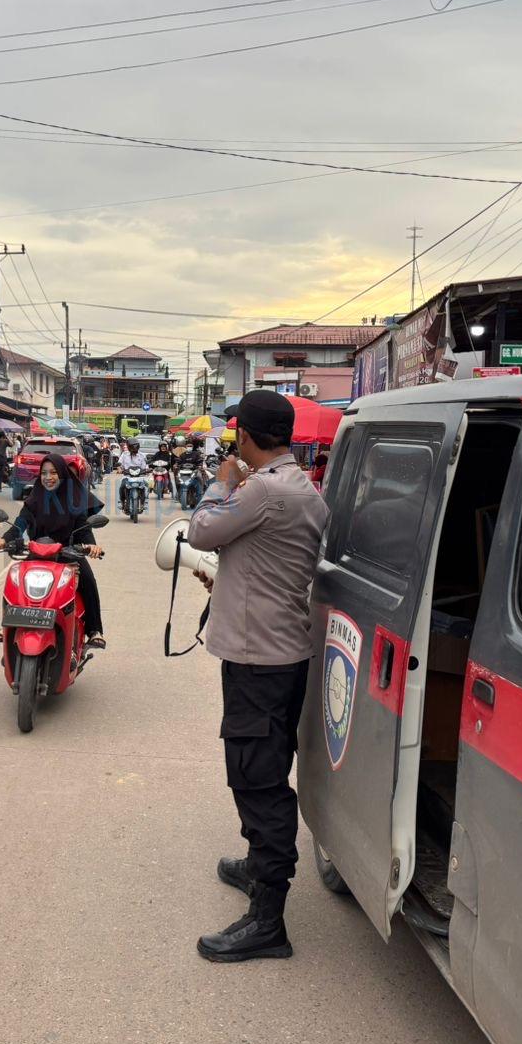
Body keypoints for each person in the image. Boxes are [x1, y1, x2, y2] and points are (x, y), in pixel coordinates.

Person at [184, 390, 329, 963]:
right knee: (260, 766)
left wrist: (221, 481)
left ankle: (268, 920)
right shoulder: (301, 489)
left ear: (243, 435)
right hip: (279, 653)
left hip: (259, 662)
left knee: (257, 779)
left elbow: (200, 529)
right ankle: (256, 868)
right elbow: (270, 564)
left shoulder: (263, 489)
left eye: (233, 431)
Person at [0, 454, 106, 648]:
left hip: (68, 554)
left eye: (53, 473)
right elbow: (19, 525)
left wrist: (91, 545)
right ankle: (6, 625)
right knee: (14, 579)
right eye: (43, 473)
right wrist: (3, 540)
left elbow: (84, 529)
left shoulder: (74, 500)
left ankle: (94, 630)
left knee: (88, 580)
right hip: (37, 554)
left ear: (62, 475)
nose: (48, 477)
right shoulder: (34, 500)